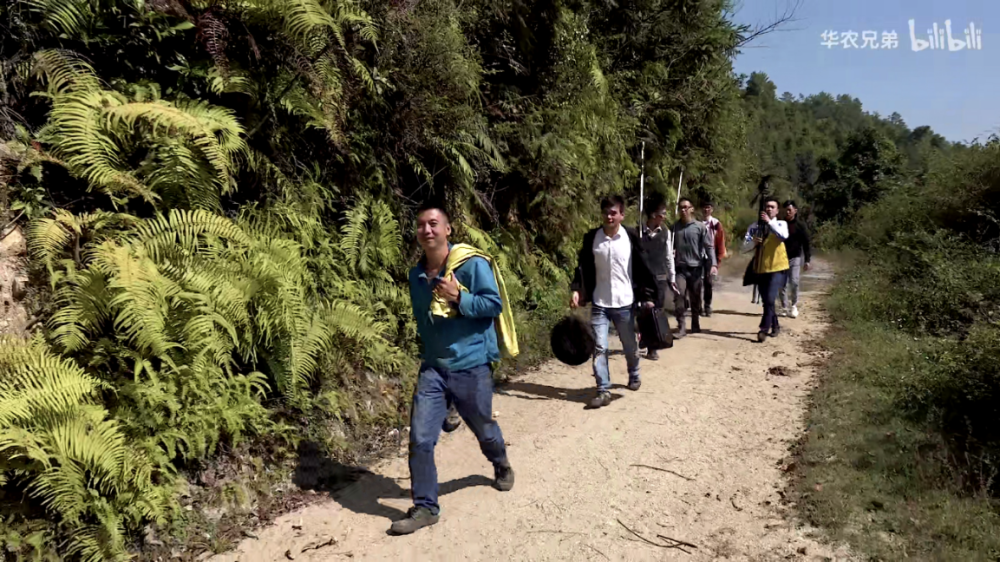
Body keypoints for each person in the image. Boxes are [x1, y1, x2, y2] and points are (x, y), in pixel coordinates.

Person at [391, 203, 513, 535]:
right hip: (433, 369)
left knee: (484, 429)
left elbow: (493, 305)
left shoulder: (471, 265)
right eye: (421, 225)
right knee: (420, 439)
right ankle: (426, 507)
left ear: (448, 230)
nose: (426, 230)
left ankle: (500, 463)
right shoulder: (415, 276)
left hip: (471, 366)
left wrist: (460, 297)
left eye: (433, 224)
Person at [570, 195, 657, 409]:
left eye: (613, 212)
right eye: (606, 212)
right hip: (600, 302)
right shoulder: (592, 238)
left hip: (625, 302)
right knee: (599, 346)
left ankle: (634, 372)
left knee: (629, 345)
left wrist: (648, 297)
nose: (609, 216)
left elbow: (643, 267)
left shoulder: (630, 237)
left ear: (621, 215)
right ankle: (603, 389)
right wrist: (577, 290)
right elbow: (582, 266)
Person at [743, 197, 790, 343]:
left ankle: (763, 329)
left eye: (772, 207)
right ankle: (775, 325)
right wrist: (753, 243)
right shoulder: (754, 227)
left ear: (777, 210)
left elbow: (783, 236)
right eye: (767, 206)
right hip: (761, 268)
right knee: (767, 302)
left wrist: (769, 223)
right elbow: (743, 247)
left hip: (778, 268)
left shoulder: (781, 224)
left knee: (770, 299)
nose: (769, 209)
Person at [639, 194, 679, 361]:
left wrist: (672, 278)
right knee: (644, 311)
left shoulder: (666, 233)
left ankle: (652, 347)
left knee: (657, 312)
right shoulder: (638, 232)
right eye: (662, 213)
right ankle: (644, 338)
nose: (664, 217)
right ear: (653, 215)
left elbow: (669, 256)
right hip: (642, 278)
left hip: (660, 278)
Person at [672, 198, 717, 337]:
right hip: (680, 268)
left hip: (696, 268)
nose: (683, 210)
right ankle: (681, 326)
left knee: (695, 298)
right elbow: (669, 245)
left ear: (692, 209)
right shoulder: (674, 228)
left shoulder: (700, 227)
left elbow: (709, 247)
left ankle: (695, 322)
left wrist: (713, 264)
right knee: (679, 295)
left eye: (686, 207)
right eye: (681, 208)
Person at [779, 200, 811, 319]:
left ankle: (793, 306)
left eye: (790, 210)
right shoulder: (779, 224)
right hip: (781, 258)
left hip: (795, 257)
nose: (787, 212)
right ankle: (783, 307)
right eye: (786, 210)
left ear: (795, 211)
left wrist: (807, 260)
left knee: (794, 281)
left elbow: (806, 243)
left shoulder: (800, 226)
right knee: (782, 284)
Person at [700, 200, 726, 317]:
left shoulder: (716, 224)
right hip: (698, 256)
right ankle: (697, 305)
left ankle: (707, 305)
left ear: (712, 209)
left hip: (711, 256)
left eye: (709, 208)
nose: (706, 210)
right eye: (705, 207)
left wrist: (718, 259)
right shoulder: (697, 223)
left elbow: (720, 242)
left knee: (708, 282)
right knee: (697, 283)